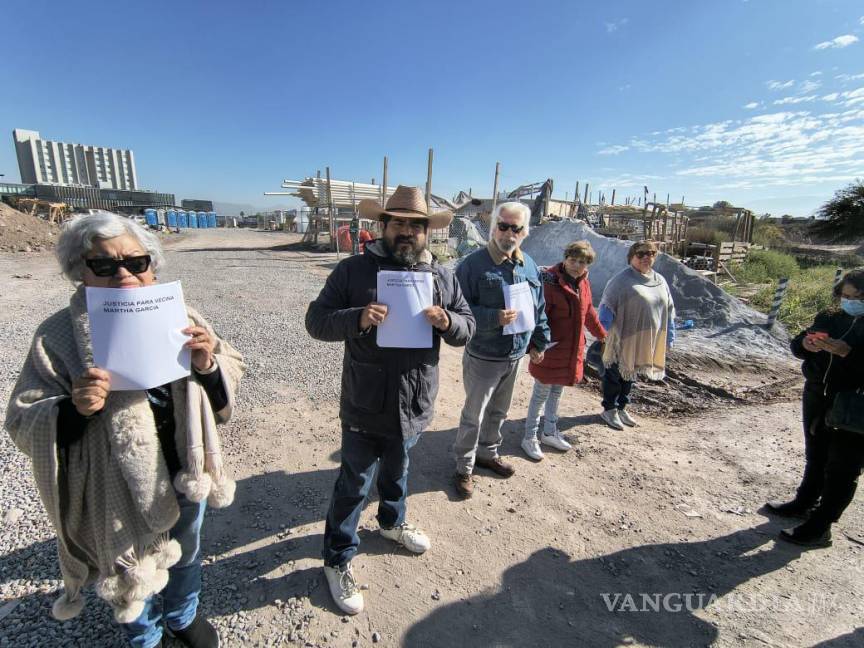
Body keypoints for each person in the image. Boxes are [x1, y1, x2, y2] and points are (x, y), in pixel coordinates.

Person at [4, 212, 245, 648]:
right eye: (104, 265)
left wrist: (208, 364)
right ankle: (145, 634)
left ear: (152, 266)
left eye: (136, 262)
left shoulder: (182, 315)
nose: (124, 274)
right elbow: (23, 418)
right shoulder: (56, 336)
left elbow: (232, 364)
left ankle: (181, 614)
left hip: (183, 469)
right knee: (128, 565)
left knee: (186, 553)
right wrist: (74, 410)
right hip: (111, 486)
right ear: (81, 273)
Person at [305, 185, 475, 615]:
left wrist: (447, 320)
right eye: (397, 222)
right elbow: (316, 321)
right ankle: (338, 558)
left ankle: (392, 523)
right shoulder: (352, 271)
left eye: (415, 225)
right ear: (382, 226)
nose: (406, 232)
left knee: (399, 471)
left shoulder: (441, 275)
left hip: (414, 401)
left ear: (425, 231)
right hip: (364, 401)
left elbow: (468, 326)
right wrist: (358, 318)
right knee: (354, 485)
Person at [453, 202, 551, 497]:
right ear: (493, 227)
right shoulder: (472, 265)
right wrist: (493, 317)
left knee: (499, 411)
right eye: (503, 225)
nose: (509, 232)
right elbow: (458, 309)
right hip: (484, 354)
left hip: (515, 355)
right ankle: (464, 468)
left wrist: (539, 341)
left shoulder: (529, 265)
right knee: (474, 415)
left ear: (525, 232)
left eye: (516, 228)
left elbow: (539, 308)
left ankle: (488, 454)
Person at [768, 269, 864, 547]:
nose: (849, 302)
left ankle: (821, 527)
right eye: (845, 296)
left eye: (857, 297)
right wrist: (807, 345)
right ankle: (804, 503)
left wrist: (850, 354)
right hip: (818, 394)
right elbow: (797, 345)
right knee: (816, 454)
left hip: (854, 403)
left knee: (843, 468)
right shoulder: (830, 316)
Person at [521, 241, 606, 461]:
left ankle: (549, 432)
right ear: (565, 258)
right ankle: (529, 437)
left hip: (570, 351)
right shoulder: (549, 282)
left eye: (582, 262)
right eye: (573, 259)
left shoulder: (583, 284)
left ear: (588, 265)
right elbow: (535, 317)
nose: (576, 265)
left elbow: (588, 313)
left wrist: (603, 335)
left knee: (557, 392)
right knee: (540, 394)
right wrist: (533, 346)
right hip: (549, 350)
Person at [597, 240, 675, 430]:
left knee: (631, 375)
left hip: (643, 338)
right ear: (631, 257)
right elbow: (607, 306)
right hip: (620, 338)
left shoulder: (659, 280)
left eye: (651, 254)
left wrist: (670, 335)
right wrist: (601, 333)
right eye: (641, 254)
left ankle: (622, 407)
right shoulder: (621, 281)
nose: (646, 258)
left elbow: (669, 309)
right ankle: (609, 409)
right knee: (614, 374)